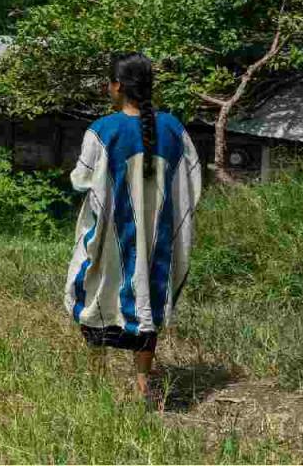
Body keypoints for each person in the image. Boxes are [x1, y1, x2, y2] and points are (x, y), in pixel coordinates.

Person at [64, 53, 202, 402]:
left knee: (96, 293)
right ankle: (143, 383)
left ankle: (97, 382)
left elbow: (81, 180)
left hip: (112, 236)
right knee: (148, 299)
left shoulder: (103, 129)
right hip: (158, 240)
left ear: (116, 86)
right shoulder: (174, 128)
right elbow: (192, 181)